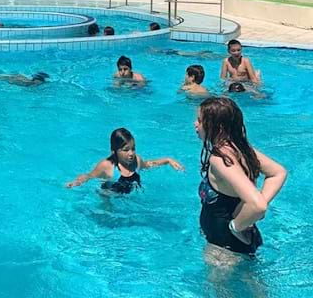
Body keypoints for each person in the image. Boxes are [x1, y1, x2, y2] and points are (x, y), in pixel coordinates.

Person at [196, 97, 287, 255]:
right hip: (240, 240)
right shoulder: (240, 149)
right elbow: (278, 173)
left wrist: (236, 227)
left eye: (200, 120)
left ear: (218, 126)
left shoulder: (220, 159)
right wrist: (245, 218)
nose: (195, 124)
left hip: (224, 247)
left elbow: (259, 206)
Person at [65, 128, 184, 194]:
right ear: (114, 151)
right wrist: (76, 182)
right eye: (126, 150)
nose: (131, 153)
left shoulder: (136, 161)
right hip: (109, 194)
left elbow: (149, 164)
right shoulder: (107, 166)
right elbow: (89, 176)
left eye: (133, 149)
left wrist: (168, 160)